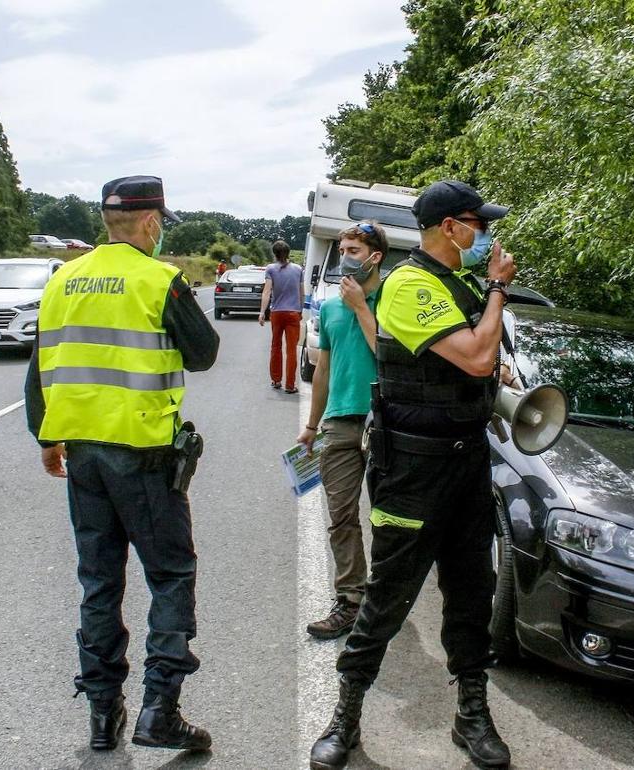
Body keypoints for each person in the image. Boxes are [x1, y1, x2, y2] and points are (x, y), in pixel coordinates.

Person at [309, 181, 516, 770]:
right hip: (413, 467)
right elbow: (475, 353)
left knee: (472, 593)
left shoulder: (463, 286)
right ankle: (344, 718)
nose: (486, 235)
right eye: (478, 223)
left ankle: (471, 713)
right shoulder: (409, 283)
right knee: (388, 594)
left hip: (466, 461)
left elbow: (479, 365)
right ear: (450, 227)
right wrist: (500, 288)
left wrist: (499, 382)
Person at [24, 175, 220, 753]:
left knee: (99, 582)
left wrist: (46, 438)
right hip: (145, 457)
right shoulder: (161, 280)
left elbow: (41, 365)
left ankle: (102, 713)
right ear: (152, 223)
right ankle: (161, 707)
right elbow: (204, 354)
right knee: (171, 574)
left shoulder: (63, 279)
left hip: (81, 455)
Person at [296, 221, 388, 640]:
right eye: (343, 250)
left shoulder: (393, 301)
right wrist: (312, 425)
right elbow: (323, 371)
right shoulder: (330, 307)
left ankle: (385, 600)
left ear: (375, 256)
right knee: (341, 517)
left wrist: (362, 309)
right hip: (338, 423)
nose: (346, 257)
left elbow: (391, 357)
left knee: (390, 517)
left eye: (354, 249)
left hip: (384, 423)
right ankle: (350, 600)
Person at [259, 240, 303, 393]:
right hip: (293, 313)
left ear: (274, 254)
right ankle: (290, 385)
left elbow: (266, 292)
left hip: (277, 313)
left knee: (275, 346)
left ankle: (276, 380)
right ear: (288, 253)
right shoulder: (298, 269)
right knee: (291, 350)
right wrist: (300, 310)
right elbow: (301, 292)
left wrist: (262, 312)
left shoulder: (270, 269)